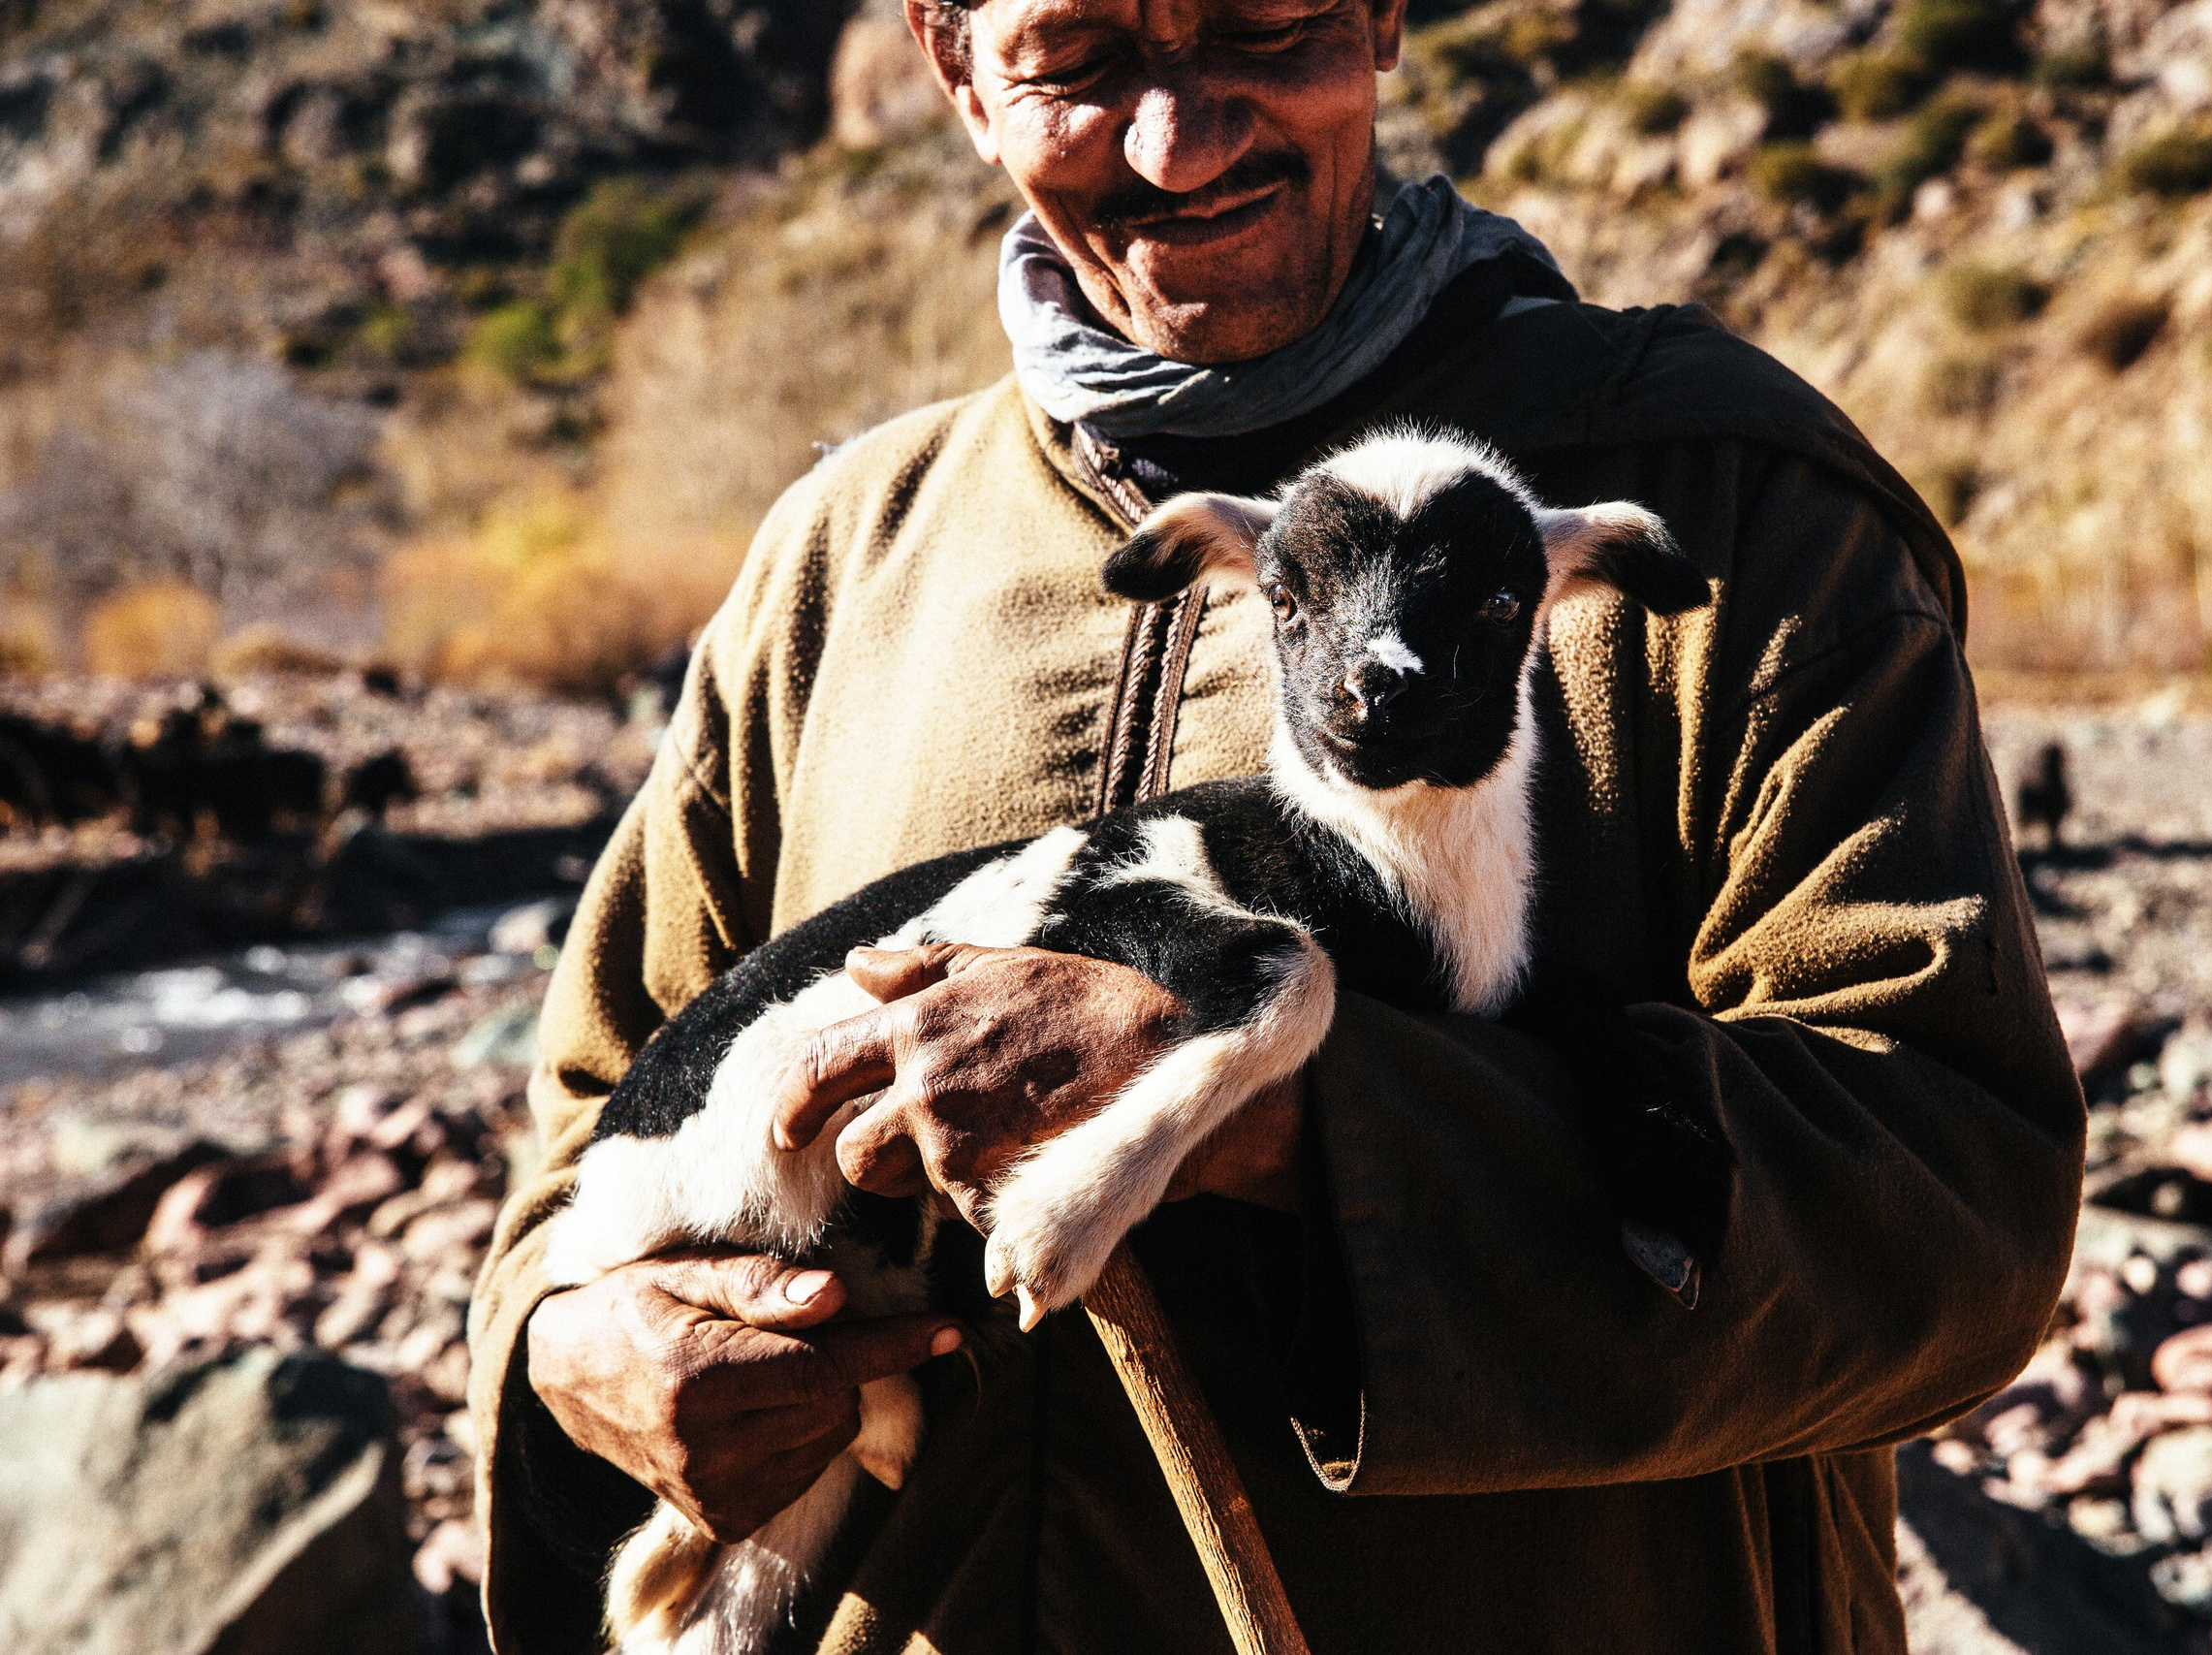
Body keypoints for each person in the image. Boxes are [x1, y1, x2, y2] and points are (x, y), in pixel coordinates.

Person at [469, 0, 2086, 1646]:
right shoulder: (847, 556)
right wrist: (583, 1350)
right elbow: (599, 1114)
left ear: (1385, 14)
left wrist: (1255, 1106)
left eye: (1261, 22)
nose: (1182, 136)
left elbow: (1955, 1208)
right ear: (956, 70)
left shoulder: (1738, 515)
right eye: (1079, 61)